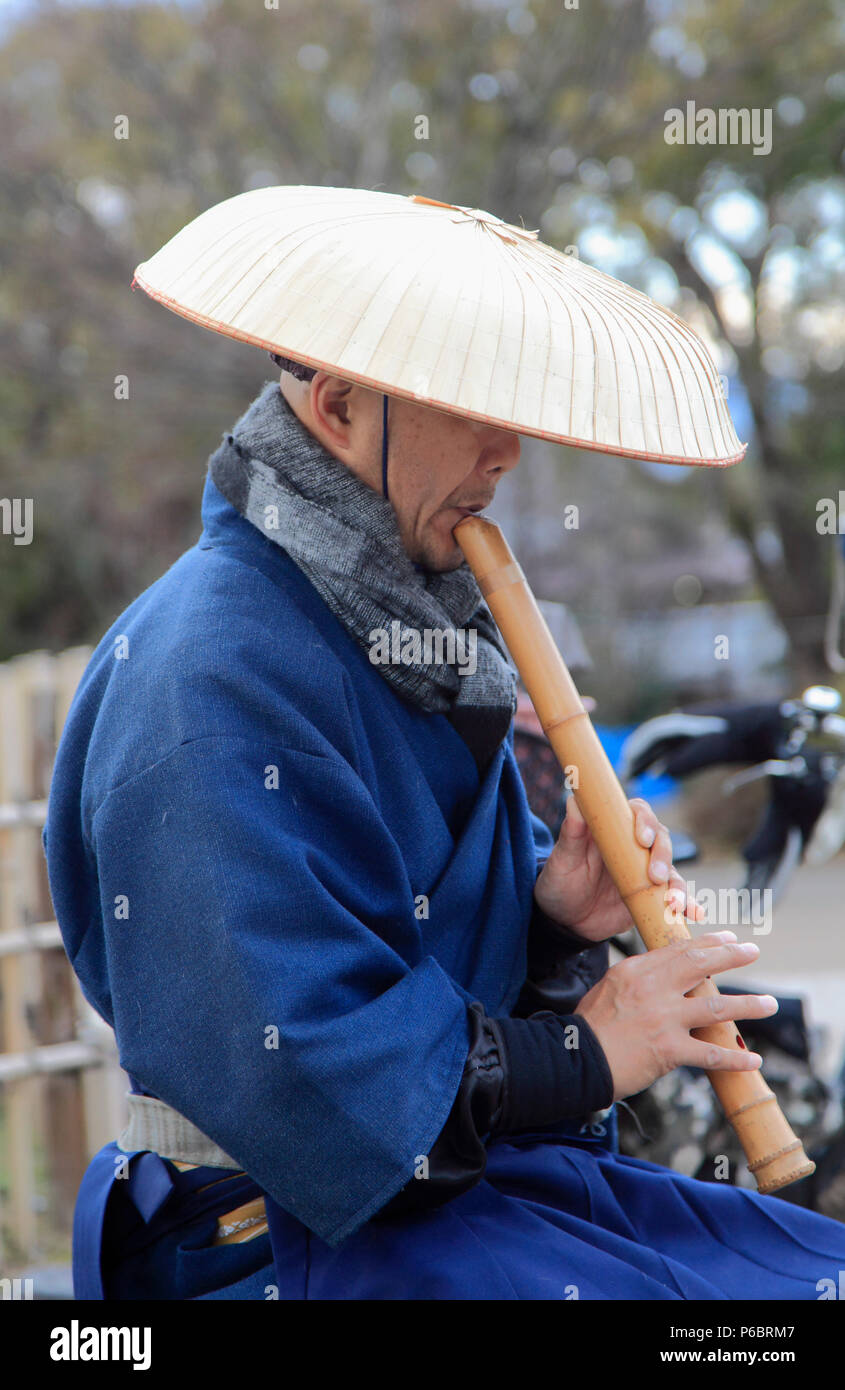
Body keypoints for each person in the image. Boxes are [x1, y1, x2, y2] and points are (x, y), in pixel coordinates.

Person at [43, 358, 845, 1300]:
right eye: (468, 415)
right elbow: (298, 1064)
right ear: (339, 407)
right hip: (274, 1230)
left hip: (458, 1196)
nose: (505, 453)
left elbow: (416, 942)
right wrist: (582, 1052)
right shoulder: (208, 672)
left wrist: (547, 916)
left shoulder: (387, 617)